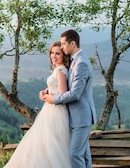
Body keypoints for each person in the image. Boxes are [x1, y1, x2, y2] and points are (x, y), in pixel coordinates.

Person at [4, 41, 72, 168]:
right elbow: (55, 87)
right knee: (44, 145)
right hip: (50, 109)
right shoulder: (58, 69)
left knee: (52, 146)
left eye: (58, 53)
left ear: (64, 55)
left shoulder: (61, 70)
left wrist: (48, 97)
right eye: (52, 53)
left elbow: (63, 95)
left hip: (56, 112)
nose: (54, 56)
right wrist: (46, 91)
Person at [42, 29, 97, 168]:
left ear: (73, 44)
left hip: (81, 117)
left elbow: (75, 94)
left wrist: (53, 99)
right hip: (75, 116)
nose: (61, 47)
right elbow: (67, 84)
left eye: (63, 44)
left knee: (74, 154)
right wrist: (50, 91)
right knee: (83, 154)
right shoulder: (75, 60)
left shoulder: (81, 63)